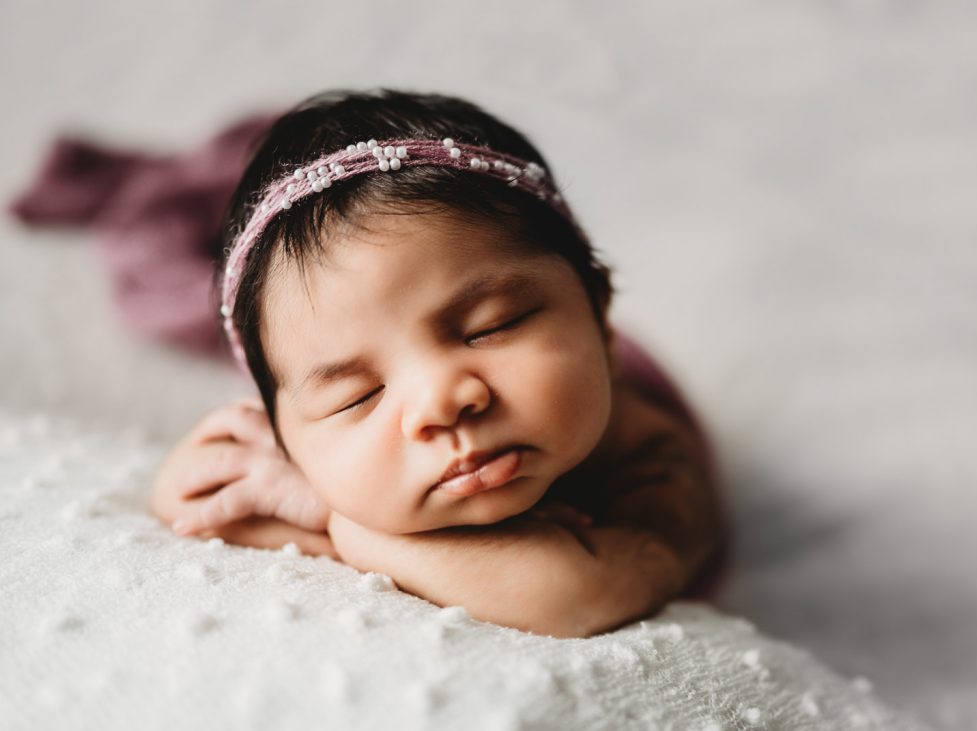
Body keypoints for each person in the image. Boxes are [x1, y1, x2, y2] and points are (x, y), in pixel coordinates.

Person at [150, 89, 729, 638]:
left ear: (601, 317)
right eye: (358, 396)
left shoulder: (648, 449)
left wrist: (332, 520)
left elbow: (573, 592)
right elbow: (189, 497)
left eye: (491, 328)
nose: (442, 401)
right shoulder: (308, 422)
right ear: (284, 440)